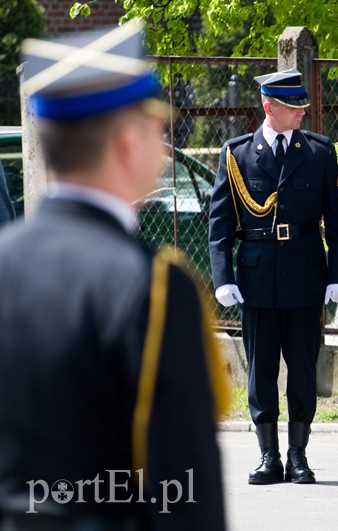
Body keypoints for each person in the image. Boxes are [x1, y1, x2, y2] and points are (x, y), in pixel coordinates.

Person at [0, 21, 228, 529]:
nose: (164, 144)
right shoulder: (153, 285)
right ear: (127, 142)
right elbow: (186, 494)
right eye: (157, 128)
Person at [209, 69, 338, 485]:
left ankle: (298, 456)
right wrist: (223, 276)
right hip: (257, 278)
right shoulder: (237, 154)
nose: (302, 113)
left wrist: (337, 275)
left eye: (303, 106)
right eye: (293, 107)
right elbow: (219, 225)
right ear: (269, 107)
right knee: (261, 370)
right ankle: (269, 456)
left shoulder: (320, 152)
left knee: (304, 370)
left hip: (306, 276)